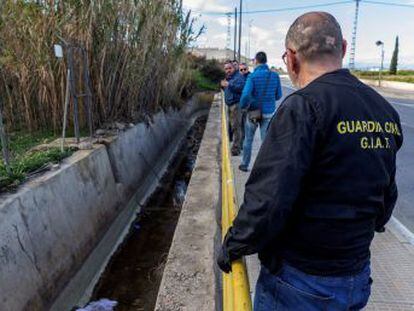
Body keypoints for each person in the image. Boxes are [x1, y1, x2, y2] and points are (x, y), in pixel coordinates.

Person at [218, 11, 403, 311]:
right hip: (356, 278)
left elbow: (268, 199)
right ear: (342, 49)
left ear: (291, 58)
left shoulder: (302, 108)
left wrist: (234, 243)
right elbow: (385, 200)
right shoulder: (383, 110)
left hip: (300, 284)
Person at [238, 51, 282, 172]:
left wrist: (243, 106)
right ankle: (265, 168)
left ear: (256, 61)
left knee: (248, 139)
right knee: (266, 141)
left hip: (253, 112)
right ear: (266, 61)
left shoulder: (252, 77)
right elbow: (278, 95)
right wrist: (269, 100)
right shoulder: (275, 76)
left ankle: (245, 165)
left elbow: (246, 95)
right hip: (268, 113)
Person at [221, 61, 245, 155]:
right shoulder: (229, 77)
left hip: (236, 105)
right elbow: (227, 89)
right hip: (230, 104)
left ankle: (236, 150)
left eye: (229, 68)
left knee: (236, 127)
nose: (228, 70)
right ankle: (236, 146)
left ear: (234, 68)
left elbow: (241, 88)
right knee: (232, 126)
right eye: (226, 69)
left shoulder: (239, 76)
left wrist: (228, 85)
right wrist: (223, 86)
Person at [239, 63, 251, 149]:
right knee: (241, 126)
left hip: (249, 106)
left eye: (244, 69)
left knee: (247, 126)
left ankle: (244, 144)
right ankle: (242, 144)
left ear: (247, 69)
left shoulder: (251, 77)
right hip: (240, 105)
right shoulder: (238, 78)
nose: (243, 71)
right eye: (241, 70)